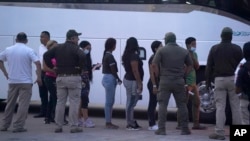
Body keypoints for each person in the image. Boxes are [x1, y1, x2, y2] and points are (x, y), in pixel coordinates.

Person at [43, 29, 85, 133]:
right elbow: (83, 56)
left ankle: (58, 126)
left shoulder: (58, 47)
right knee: (74, 102)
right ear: (72, 38)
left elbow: (46, 55)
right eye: (77, 38)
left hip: (60, 77)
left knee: (60, 102)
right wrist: (79, 68)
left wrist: (53, 67)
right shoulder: (76, 48)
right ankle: (74, 126)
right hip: (73, 77)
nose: (78, 39)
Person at [205, 27, 243, 140]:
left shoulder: (214, 48)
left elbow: (209, 66)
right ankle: (239, 134)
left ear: (221, 36)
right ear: (231, 36)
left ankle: (219, 133)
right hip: (233, 80)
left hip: (219, 80)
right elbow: (241, 66)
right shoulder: (237, 49)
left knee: (220, 107)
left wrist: (207, 82)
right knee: (236, 106)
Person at [152, 32, 192, 135]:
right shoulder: (183, 51)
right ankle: (185, 129)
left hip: (165, 80)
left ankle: (161, 129)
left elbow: (154, 64)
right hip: (179, 81)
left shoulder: (161, 50)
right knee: (182, 105)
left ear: (166, 40)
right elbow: (190, 65)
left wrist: (158, 75)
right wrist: (184, 75)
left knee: (162, 105)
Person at [0, 32, 42, 132]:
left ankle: (4, 125)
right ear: (26, 40)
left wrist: (5, 73)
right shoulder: (29, 50)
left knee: (10, 104)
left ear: (16, 39)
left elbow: (0, 60)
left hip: (12, 81)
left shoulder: (8, 49)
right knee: (23, 104)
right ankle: (18, 126)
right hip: (26, 82)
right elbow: (38, 63)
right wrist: (39, 76)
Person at [176, 37, 206, 130]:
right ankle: (180, 124)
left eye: (195, 44)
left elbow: (197, 67)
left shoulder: (194, 54)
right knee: (183, 103)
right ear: (188, 45)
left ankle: (196, 124)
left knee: (196, 102)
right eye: (193, 44)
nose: (195, 46)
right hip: (186, 83)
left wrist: (192, 56)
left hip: (193, 83)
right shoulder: (183, 54)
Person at [122, 37, 144, 130]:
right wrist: (139, 83)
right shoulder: (134, 56)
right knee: (131, 102)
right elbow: (135, 70)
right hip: (132, 81)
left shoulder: (126, 54)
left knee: (131, 102)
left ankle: (131, 121)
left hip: (128, 79)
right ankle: (130, 123)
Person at [102, 38, 122, 129]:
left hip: (107, 77)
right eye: (115, 44)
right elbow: (113, 69)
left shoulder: (106, 54)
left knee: (110, 101)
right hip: (110, 78)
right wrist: (118, 78)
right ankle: (108, 122)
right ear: (112, 45)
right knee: (109, 102)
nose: (115, 46)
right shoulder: (109, 56)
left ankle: (108, 121)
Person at [78, 40, 98, 128]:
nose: (88, 50)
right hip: (82, 80)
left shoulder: (86, 57)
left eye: (90, 49)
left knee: (82, 99)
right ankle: (85, 119)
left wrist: (94, 67)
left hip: (85, 79)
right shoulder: (80, 56)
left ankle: (78, 118)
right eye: (87, 48)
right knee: (84, 98)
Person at [147, 40, 162, 131]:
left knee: (155, 103)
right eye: (161, 46)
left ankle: (154, 122)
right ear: (156, 48)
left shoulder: (159, 57)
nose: (163, 47)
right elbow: (152, 74)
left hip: (157, 83)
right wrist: (154, 86)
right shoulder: (153, 58)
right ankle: (151, 124)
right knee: (152, 104)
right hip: (153, 84)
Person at [34, 31, 50, 118]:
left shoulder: (51, 46)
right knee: (42, 93)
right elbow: (39, 60)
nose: (41, 39)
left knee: (51, 93)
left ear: (48, 38)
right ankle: (43, 111)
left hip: (49, 72)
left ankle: (50, 112)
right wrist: (38, 73)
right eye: (40, 37)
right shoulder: (40, 47)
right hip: (42, 72)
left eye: (42, 37)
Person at [43, 40, 58, 124]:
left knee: (52, 98)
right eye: (54, 46)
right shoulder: (47, 55)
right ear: (49, 47)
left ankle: (48, 117)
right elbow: (45, 68)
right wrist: (54, 71)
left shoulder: (57, 55)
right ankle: (56, 116)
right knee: (55, 97)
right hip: (49, 78)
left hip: (56, 78)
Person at [235, 42, 250, 125]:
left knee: (245, 121)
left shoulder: (243, 68)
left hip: (245, 98)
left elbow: (237, 87)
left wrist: (239, 94)